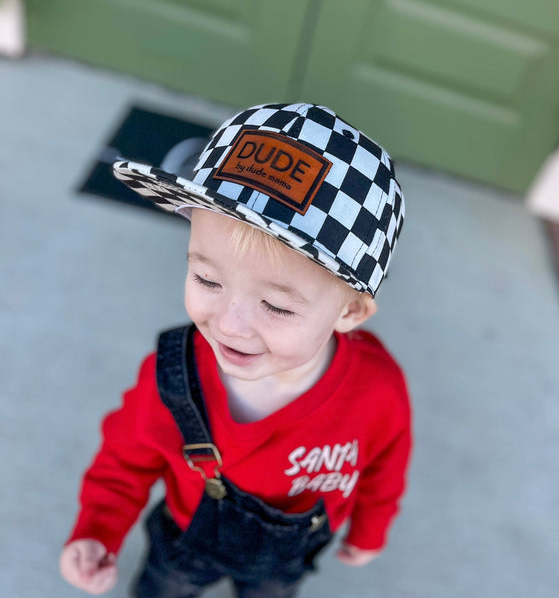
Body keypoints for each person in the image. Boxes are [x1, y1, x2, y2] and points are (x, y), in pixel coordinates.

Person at [59, 103, 412, 597]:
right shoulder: (175, 374)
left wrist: (372, 528)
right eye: (207, 278)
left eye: (276, 306)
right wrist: (98, 528)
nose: (228, 324)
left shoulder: (378, 391)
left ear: (349, 313)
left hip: (282, 565)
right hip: (184, 542)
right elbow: (125, 456)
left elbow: (384, 466)